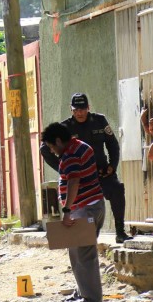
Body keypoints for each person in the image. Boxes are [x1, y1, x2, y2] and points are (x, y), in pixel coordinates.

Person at [40, 93, 132, 243]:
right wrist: (64, 170)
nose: (79, 113)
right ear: (71, 110)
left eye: (82, 109)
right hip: (80, 177)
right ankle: (80, 238)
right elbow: (44, 148)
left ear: (88, 108)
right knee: (78, 208)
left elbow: (113, 144)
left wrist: (112, 166)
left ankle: (120, 231)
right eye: (76, 110)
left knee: (117, 189)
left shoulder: (99, 121)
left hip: (102, 172)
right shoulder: (65, 127)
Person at [41, 122, 105, 302]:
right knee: (79, 253)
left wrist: (67, 210)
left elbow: (74, 182)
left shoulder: (69, 156)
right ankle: (84, 293)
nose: (52, 151)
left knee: (84, 256)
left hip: (84, 209)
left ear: (59, 141)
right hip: (95, 205)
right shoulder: (83, 147)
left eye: (52, 147)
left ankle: (92, 300)